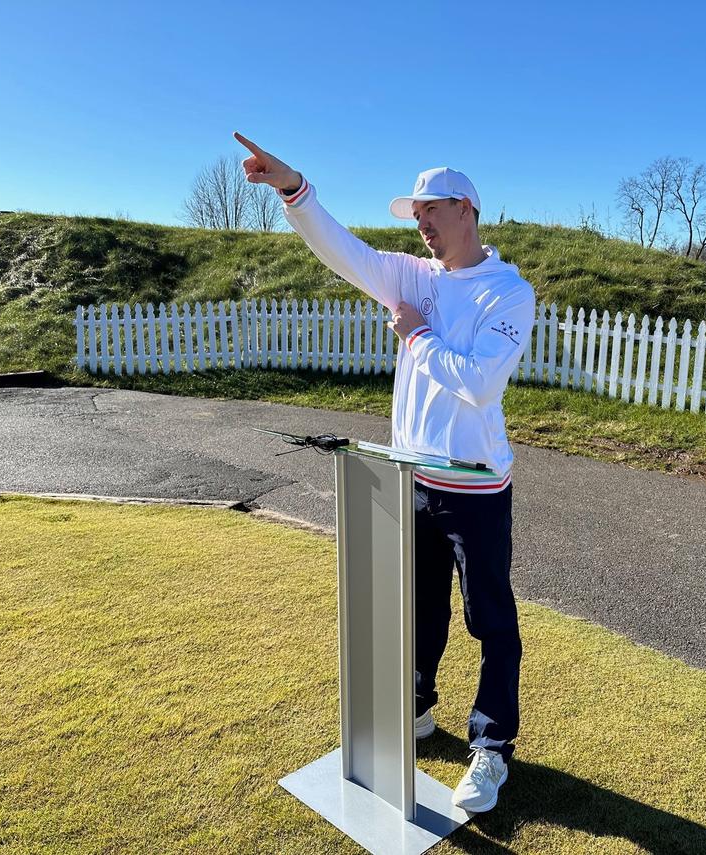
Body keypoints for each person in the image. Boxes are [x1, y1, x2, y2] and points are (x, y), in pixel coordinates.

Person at [234, 132, 535, 813]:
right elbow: (345, 252)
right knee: (420, 608)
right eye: (415, 214)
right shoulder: (413, 276)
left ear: (466, 209)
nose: (422, 224)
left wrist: (417, 336)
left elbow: (480, 384)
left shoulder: (508, 293)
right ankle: (418, 707)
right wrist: (293, 190)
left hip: (477, 486)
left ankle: (491, 747)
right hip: (414, 477)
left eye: (431, 211)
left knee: (490, 620)